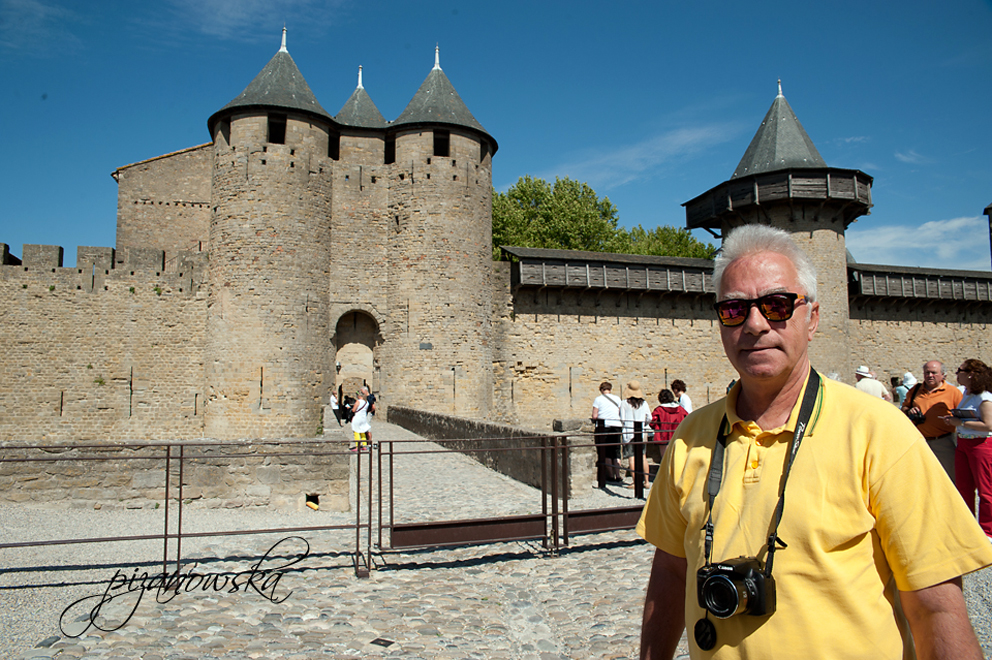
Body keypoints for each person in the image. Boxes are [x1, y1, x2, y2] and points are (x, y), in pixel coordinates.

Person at [637, 225, 992, 660]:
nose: (754, 324)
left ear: (814, 318)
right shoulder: (691, 436)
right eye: (734, 309)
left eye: (777, 305)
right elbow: (672, 572)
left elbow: (936, 609)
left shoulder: (879, 432)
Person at [942, 359, 992, 541]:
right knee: (964, 487)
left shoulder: (984, 397)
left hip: (981, 445)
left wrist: (960, 422)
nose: (957, 374)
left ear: (970, 374)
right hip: (964, 443)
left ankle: (988, 531)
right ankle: (967, 527)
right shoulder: (967, 394)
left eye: (959, 370)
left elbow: (988, 424)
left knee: (986, 490)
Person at [902, 360, 962, 480]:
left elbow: (961, 415)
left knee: (948, 477)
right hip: (919, 441)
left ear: (943, 375)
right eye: (927, 372)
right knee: (922, 477)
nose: (930, 376)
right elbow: (904, 407)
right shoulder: (915, 390)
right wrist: (909, 411)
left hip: (943, 441)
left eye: (934, 372)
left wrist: (952, 420)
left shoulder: (953, 392)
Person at [621, 380, 652, 490]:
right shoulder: (644, 403)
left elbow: (622, 419)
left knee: (632, 458)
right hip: (641, 432)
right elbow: (649, 417)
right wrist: (644, 424)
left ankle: (635, 482)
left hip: (629, 433)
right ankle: (647, 481)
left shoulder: (625, 403)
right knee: (643, 457)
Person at [592, 381, 623, 484]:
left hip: (603, 427)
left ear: (601, 390)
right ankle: (618, 475)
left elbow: (595, 416)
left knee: (606, 451)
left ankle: (610, 475)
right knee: (616, 451)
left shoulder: (598, 399)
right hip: (617, 426)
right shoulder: (617, 399)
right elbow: (619, 412)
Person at [648, 389, 687, 463]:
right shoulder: (680, 409)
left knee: (666, 459)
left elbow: (652, 422)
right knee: (678, 459)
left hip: (664, 437)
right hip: (678, 436)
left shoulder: (659, 410)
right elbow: (687, 419)